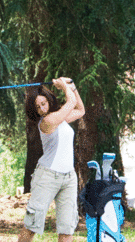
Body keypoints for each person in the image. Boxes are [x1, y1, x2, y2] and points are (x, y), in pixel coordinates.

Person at [18, 77, 85, 242]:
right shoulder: (47, 122)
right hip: (47, 177)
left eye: (43, 103)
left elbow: (80, 110)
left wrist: (72, 85)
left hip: (69, 178)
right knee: (32, 225)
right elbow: (71, 102)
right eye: (38, 107)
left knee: (67, 229)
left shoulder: (60, 117)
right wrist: (64, 87)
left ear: (48, 100)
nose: (42, 108)